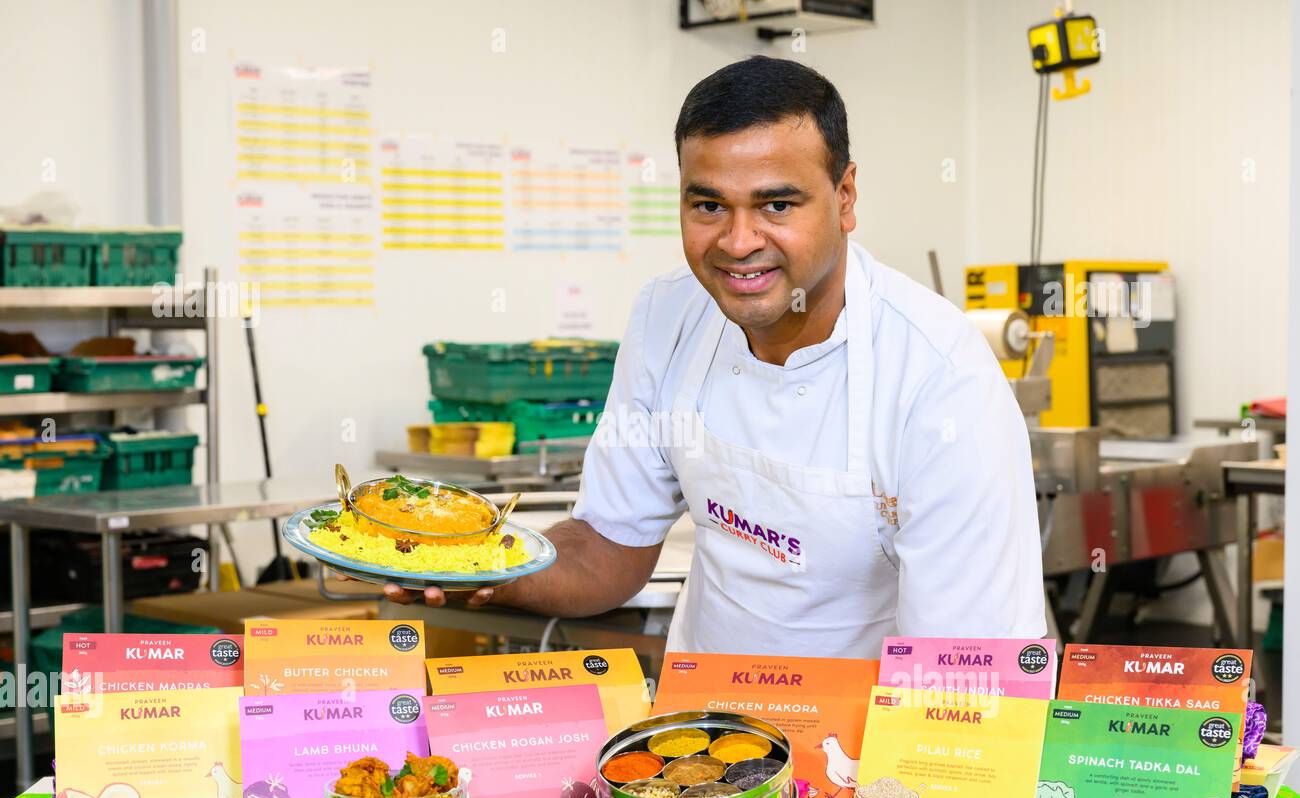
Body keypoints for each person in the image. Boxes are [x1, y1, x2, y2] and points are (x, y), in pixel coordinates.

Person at [385, 55, 1045, 657]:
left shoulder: (939, 378)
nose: (737, 241)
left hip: (872, 757)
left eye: (776, 204)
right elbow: (606, 548)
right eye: (708, 205)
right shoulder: (668, 315)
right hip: (702, 749)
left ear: (845, 198)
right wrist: (480, 566)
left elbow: (966, 669)